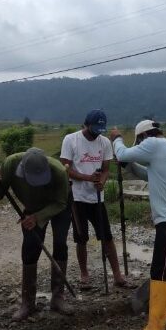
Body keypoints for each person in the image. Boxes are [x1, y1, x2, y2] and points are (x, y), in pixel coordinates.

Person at [109, 120, 166, 330]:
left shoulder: (154, 144)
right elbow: (147, 174)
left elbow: (124, 153)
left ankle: (155, 328)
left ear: (143, 137)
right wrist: (128, 166)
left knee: (161, 269)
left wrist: (116, 139)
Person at [0, 147, 73, 320]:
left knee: (60, 244)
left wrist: (38, 217)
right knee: (30, 249)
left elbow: (61, 202)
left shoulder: (58, 171)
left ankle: (58, 297)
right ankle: (28, 302)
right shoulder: (10, 164)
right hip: (32, 206)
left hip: (58, 205)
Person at [60, 110, 130, 289]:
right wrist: (87, 178)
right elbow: (64, 168)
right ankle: (84, 275)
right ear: (86, 125)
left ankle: (117, 275)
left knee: (106, 236)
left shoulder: (105, 142)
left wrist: (102, 182)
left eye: (101, 129)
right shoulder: (71, 140)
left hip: (97, 198)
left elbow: (106, 169)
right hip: (77, 196)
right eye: (95, 128)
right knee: (81, 237)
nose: (98, 132)